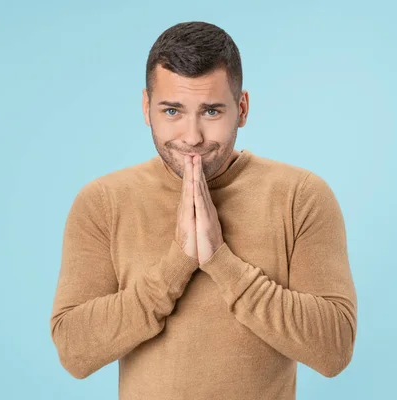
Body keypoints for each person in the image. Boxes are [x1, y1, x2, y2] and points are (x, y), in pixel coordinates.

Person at [49, 21, 357, 400]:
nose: (192, 137)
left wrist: (222, 262)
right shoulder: (103, 202)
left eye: (211, 111)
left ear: (241, 109)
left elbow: (335, 349)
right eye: (172, 111)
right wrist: (176, 264)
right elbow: (73, 350)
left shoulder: (301, 196)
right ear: (147, 108)